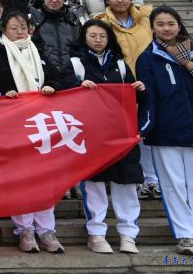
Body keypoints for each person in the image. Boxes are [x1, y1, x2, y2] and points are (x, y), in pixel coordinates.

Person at [136, 7, 193, 258]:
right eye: (160, 24)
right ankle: (185, 234)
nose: (166, 28)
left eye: (171, 23)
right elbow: (148, 98)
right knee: (173, 185)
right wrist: (146, 128)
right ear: (152, 28)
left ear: (178, 25)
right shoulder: (147, 58)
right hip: (166, 132)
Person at [0, 10, 63, 255]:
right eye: (13, 28)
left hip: (41, 126)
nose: (19, 32)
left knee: (44, 181)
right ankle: (25, 230)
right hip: (11, 128)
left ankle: (46, 230)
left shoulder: (40, 54)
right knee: (20, 180)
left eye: (23, 27)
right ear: (3, 31)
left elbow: (60, 80)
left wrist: (52, 86)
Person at [60, 20, 144, 255]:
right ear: (84, 38)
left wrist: (139, 88)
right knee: (94, 183)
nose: (98, 40)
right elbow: (62, 93)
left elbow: (133, 97)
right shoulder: (75, 64)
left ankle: (128, 234)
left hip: (121, 133)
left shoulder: (120, 64)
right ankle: (96, 233)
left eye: (103, 36)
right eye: (93, 36)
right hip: (91, 134)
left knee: (126, 182)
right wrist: (77, 86)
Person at [94, 0, 159, 198]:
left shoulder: (147, 18)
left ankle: (153, 180)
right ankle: (140, 179)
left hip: (149, 80)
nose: (120, 0)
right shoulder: (102, 22)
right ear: (107, 0)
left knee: (149, 129)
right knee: (132, 130)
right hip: (122, 84)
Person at [33, 0, 79, 79]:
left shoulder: (73, 20)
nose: (54, 0)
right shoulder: (33, 18)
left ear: (65, 0)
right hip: (43, 73)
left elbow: (79, 47)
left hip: (71, 74)